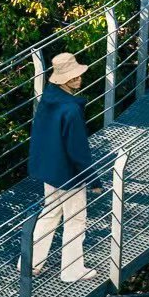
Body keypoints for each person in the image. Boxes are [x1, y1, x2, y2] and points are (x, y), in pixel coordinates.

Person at [26, 50, 96, 281]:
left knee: (51, 212)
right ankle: (72, 270)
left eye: (77, 75)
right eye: (73, 77)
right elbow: (78, 150)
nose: (78, 79)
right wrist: (93, 179)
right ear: (63, 79)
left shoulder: (48, 99)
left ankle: (30, 263)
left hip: (50, 170)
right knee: (75, 219)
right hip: (69, 174)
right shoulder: (71, 110)